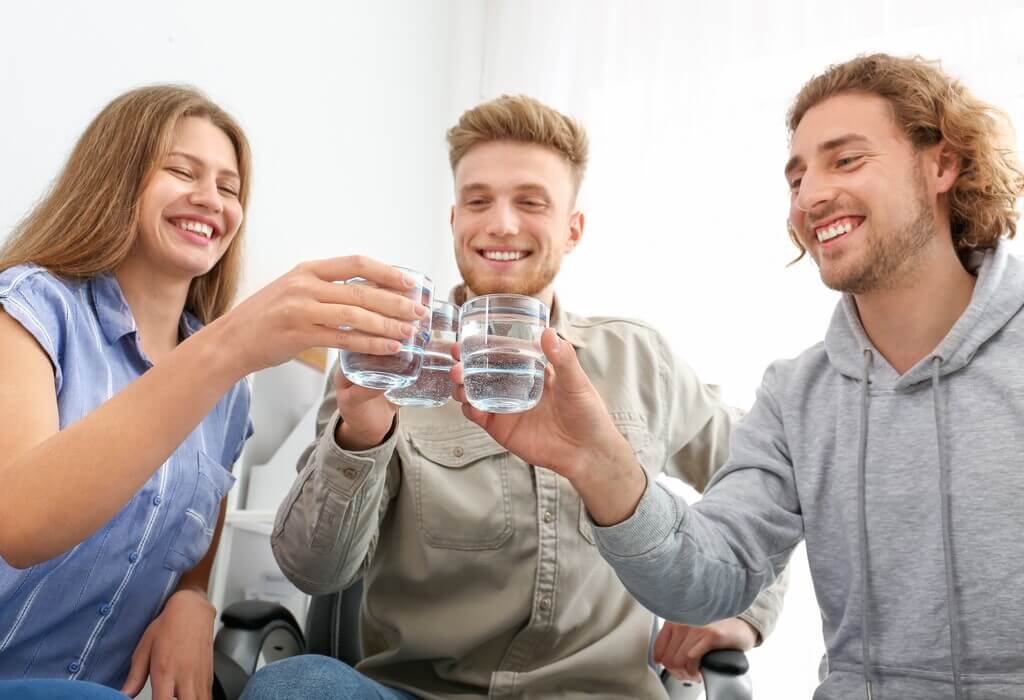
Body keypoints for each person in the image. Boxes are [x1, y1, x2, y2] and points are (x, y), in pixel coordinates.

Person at [448, 55, 1024, 699]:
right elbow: (710, 578)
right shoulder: (796, 396)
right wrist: (600, 465)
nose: (810, 195)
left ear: (942, 164)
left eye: (845, 159)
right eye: (797, 176)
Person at [245, 95, 788, 700]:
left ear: (572, 228)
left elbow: (772, 483)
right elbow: (313, 573)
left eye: (530, 202)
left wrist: (741, 610)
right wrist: (360, 437)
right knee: (294, 687)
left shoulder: (640, 361)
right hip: (419, 694)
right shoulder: (387, 365)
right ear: (455, 221)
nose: (501, 223)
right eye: (478, 201)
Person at [0, 84, 425, 699]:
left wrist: (192, 602)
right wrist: (230, 345)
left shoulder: (229, 394)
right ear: (114, 179)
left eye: (230, 188)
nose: (211, 199)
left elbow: (194, 540)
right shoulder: (31, 309)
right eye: (181, 171)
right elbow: (21, 521)